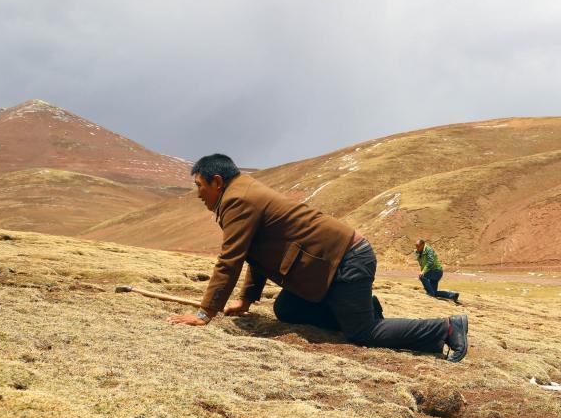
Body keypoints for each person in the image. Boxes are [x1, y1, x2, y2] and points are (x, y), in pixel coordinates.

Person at [168, 154, 468, 362]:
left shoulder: (238, 200)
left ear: (217, 181)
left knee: (363, 333)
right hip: (335, 261)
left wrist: (204, 313)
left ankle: (447, 328)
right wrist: (246, 300)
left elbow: (230, 258)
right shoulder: (241, 193)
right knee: (286, 307)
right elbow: (254, 253)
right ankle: (364, 307)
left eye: (199, 186)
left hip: (346, 260)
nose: (198, 194)